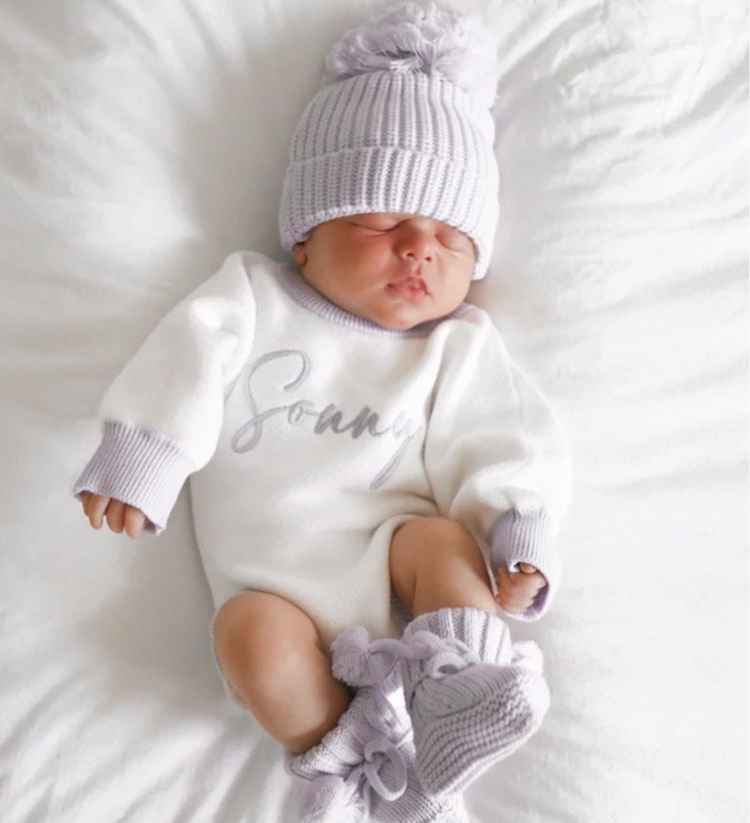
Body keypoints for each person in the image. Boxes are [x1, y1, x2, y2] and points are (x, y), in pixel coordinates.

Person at [72, 3, 572, 821]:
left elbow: (506, 440)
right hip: (275, 588)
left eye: (449, 238)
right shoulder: (254, 297)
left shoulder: (456, 345)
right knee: (246, 636)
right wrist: (146, 456)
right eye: (383, 220)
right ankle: (368, 768)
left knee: (442, 541)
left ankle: (463, 689)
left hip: (395, 561)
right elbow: (187, 359)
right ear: (306, 234)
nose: (419, 247)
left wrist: (519, 534)